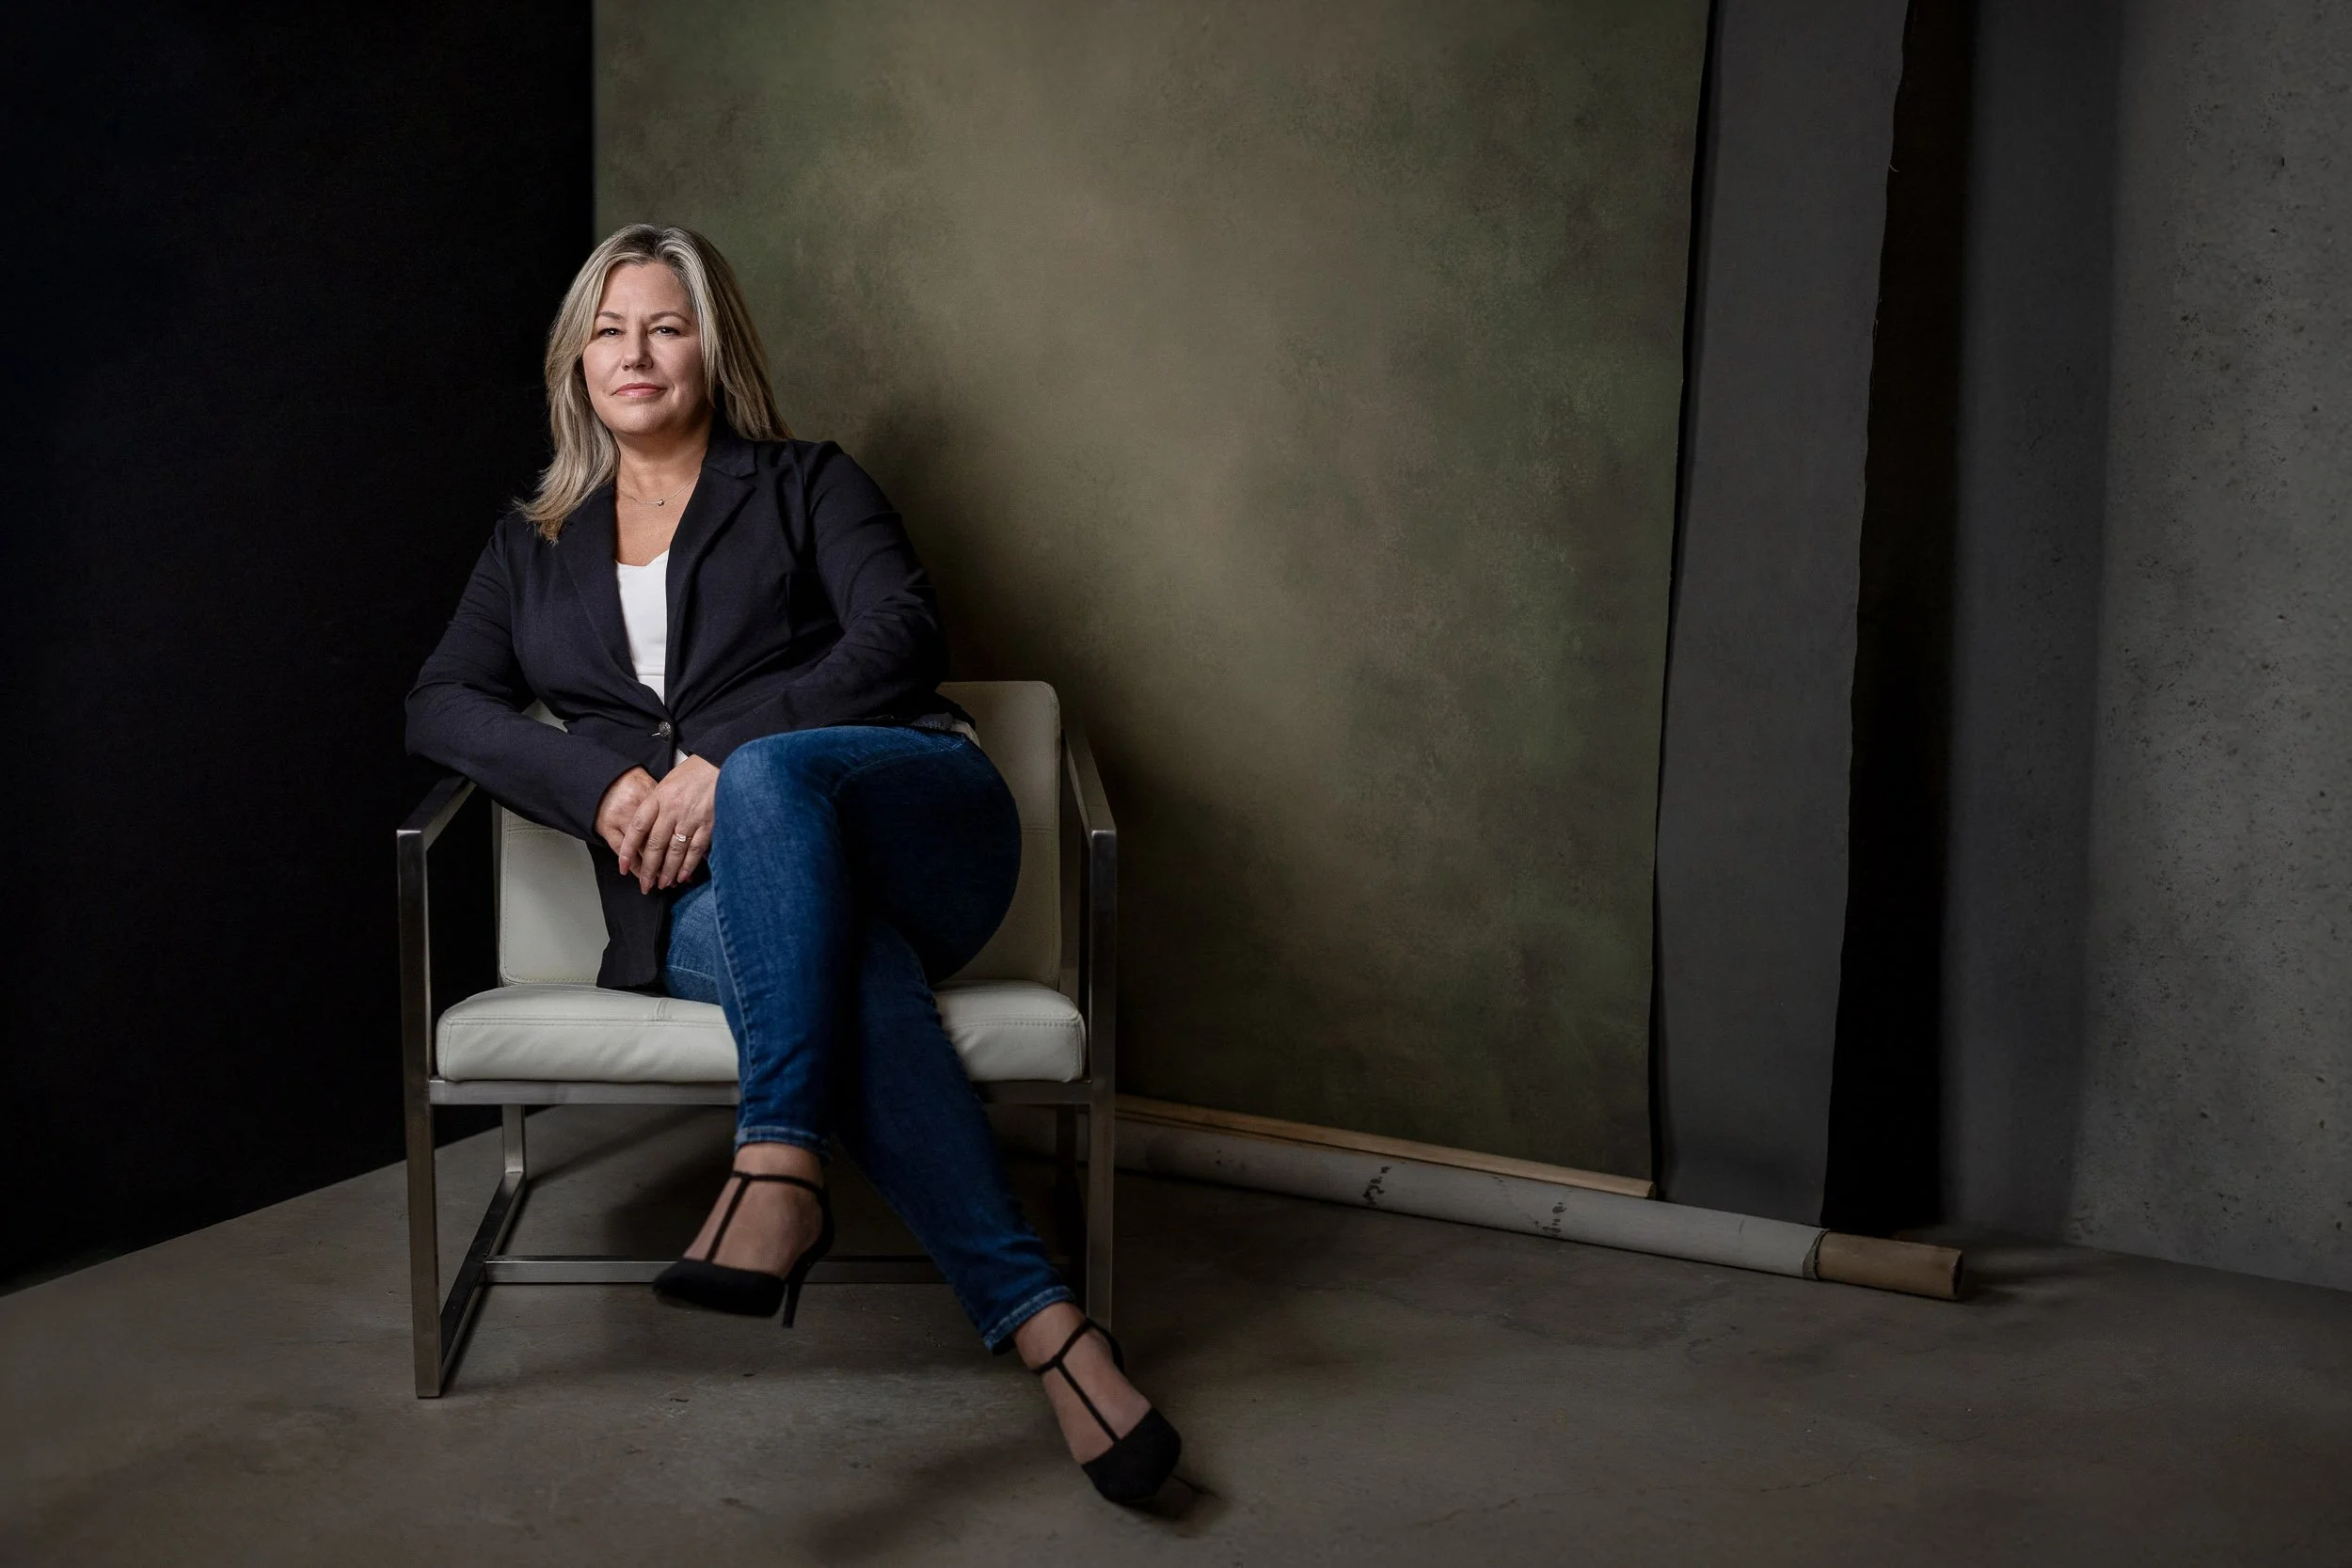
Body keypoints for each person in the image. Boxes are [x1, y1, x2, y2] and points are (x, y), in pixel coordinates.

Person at [405, 223, 1179, 1505]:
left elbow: (903, 627)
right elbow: (439, 704)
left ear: (716, 344)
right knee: (844, 971)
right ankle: (1058, 1338)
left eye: (666, 323)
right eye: (609, 329)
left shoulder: (807, 482)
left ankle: (776, 1159)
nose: (636, 351)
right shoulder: (531, 542)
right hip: (698, 905)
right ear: (574, 362)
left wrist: (717, 754)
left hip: (919, 825)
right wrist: (602, 786)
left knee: (765, 777)